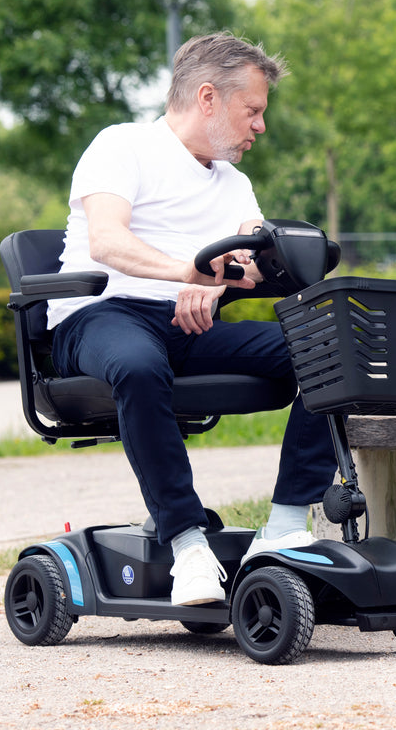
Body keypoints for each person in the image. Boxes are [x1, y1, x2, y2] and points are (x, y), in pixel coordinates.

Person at [48, 32, 336, 607]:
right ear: (209, 98)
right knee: (136, 363)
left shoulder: (235, 183)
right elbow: (106, 242)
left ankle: (282, 527)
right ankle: (187, 544)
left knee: (328, 350)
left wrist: (226, 279)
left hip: (188, 327)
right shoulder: (121, 145)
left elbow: (253, 263)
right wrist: (188, 273)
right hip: (99, 316)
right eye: (252, 111)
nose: (260, 127)